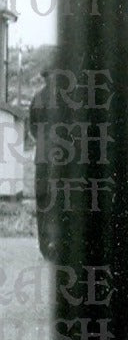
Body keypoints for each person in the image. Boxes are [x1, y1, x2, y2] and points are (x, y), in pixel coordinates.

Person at [28, 67, 58, 261]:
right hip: (62, 157)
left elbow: (32, 126)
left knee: (43, 201)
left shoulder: (37, 98)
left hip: (42, 157)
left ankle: (45, 246)